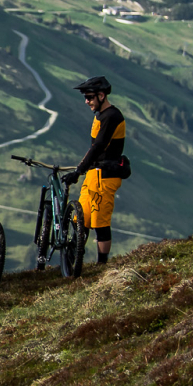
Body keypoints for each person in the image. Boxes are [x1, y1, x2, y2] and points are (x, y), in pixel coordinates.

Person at [63, 76, 129, 266]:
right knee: (80, 217)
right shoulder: (101, 115)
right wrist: (82, 170)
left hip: (105, 176)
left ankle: (101, 266)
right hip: (94, 174)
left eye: (90, 97)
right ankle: (73, 261)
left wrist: (78, 171)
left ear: (101, 95)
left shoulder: (112, 116)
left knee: (100, 222)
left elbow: (98, 147)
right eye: (85, 97)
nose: (86, 101)